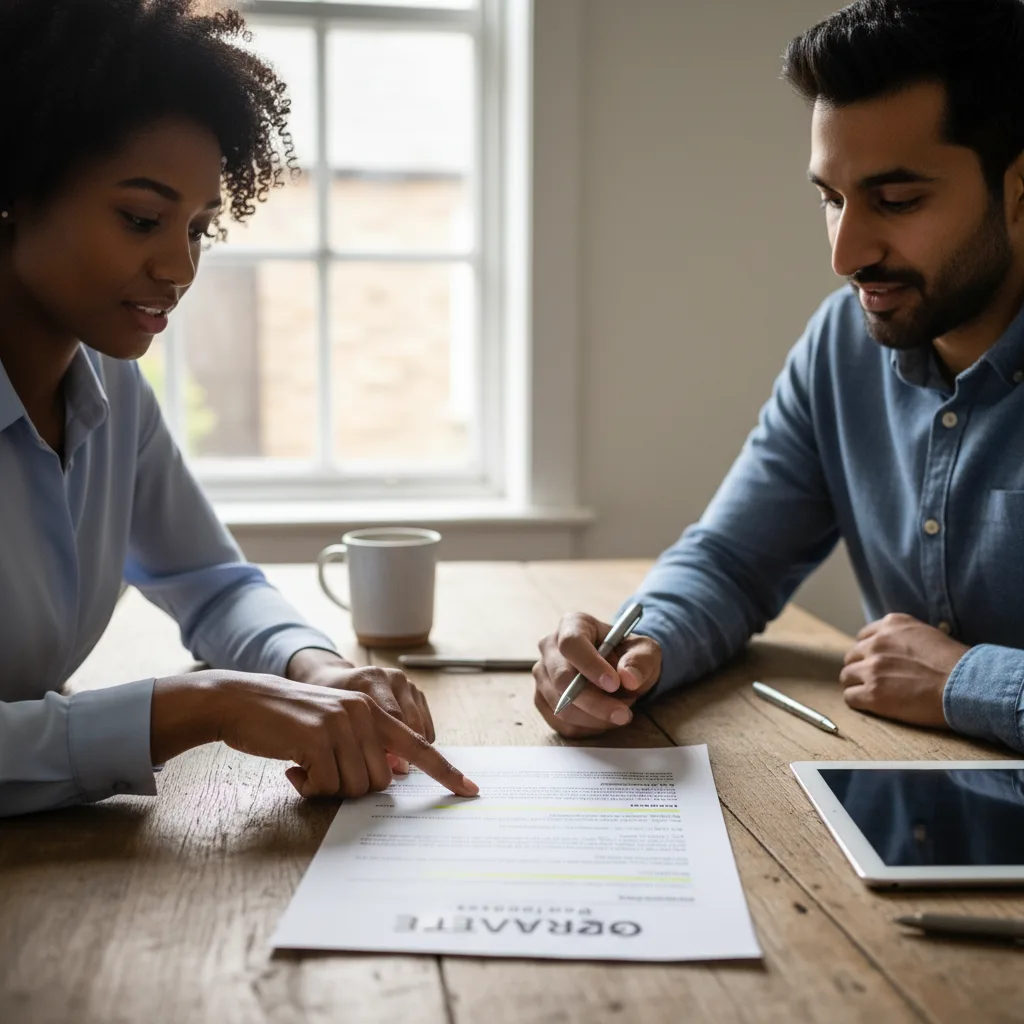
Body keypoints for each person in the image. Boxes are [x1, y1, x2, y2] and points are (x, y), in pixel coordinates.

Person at [0, 0, 477, 818]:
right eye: (143, 219)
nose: (179, 268)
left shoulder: (115, 394)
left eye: (197, 229)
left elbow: (210, 583)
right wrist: (199, 707)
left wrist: (313, 666)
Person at [533, 0, 1024, 755]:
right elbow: (731, 562)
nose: (845, 252)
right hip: (911, 800)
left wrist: (969, 684)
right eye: (831, 199)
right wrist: (637, 649)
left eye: (896, 201)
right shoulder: (842, 346)